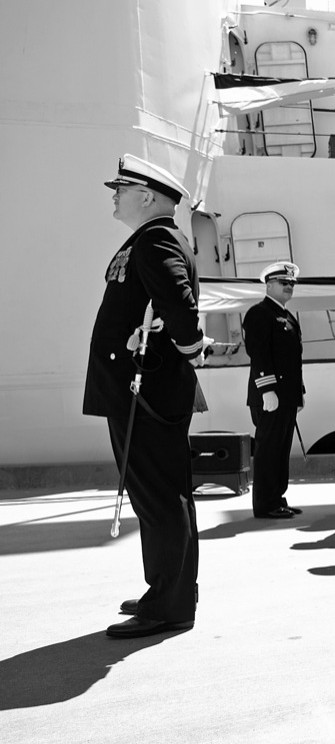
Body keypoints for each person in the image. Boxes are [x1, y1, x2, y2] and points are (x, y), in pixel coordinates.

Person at [88, 154, 204, 638]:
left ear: (148, 197)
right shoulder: (149, 238)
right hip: (142, 388)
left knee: (159, 497)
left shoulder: (156, 238)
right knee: (159, 495)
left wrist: (189, 347)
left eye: (121, 188)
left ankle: (170, 604)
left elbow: (179, 304)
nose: (114, 195)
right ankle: (169, 589)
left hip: (147, 390)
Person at [242, 261, 304, 520]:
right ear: (268, 285)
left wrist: (298, 393)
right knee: (268, 450)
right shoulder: (260, 313)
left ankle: (277, 498)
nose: (289, 286)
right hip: (270, 395)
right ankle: (265, 504)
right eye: (283, 282)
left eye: (291, 283)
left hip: (286, 397)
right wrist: (268, 390)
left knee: (280, 449)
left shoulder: (288, 316)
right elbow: (258, 354)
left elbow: (292, 360)